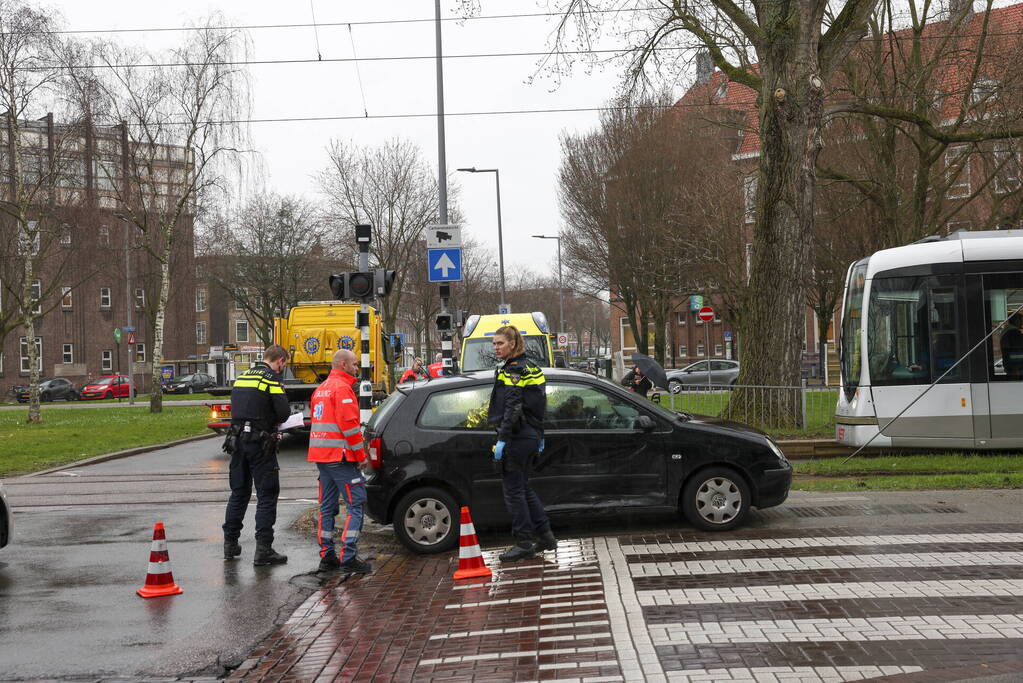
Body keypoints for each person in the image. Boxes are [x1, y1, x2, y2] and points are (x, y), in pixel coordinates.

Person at [488, 325, 557, 562]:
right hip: (530, 436)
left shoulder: (513, 370)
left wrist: (502, 440)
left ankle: (524, 542)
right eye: (494, 343)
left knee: (513, 492)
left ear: (513, 344)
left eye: (500, 343)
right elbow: (539, 406)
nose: (496, 348)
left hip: (517, 437)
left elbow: (513, 408)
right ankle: (546, 536)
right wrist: (540, 436)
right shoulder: (533, 367)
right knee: (524, 488)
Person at [222, 344, 291, 566]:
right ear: (280, 361)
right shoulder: (271, 379)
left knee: (239, 492)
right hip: (260, 444)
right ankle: (263, 549)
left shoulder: (243, 377)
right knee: (267, 494)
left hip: (237, 440)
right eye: (284, 364)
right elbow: (283, 413)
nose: (282, 368)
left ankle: (230, 543)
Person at [308, 349, 372, 574]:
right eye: (354, 364)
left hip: (321, 457)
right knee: (356, 503)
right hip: (340, 457)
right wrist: (361, 456)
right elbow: (350, 426)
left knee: (326, 506)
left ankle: (327, 555)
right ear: (343, 364)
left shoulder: (321, 389)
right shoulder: (343, 389)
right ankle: (349, 556)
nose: (357, 368)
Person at [1001, 312, 1023, 379]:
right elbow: (1018, 349)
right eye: (1021, 320)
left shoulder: (1006, 331)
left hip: (1011, 365)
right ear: (1016, 320)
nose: (1022, 323)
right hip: (1016, 367)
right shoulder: (1013, 332)